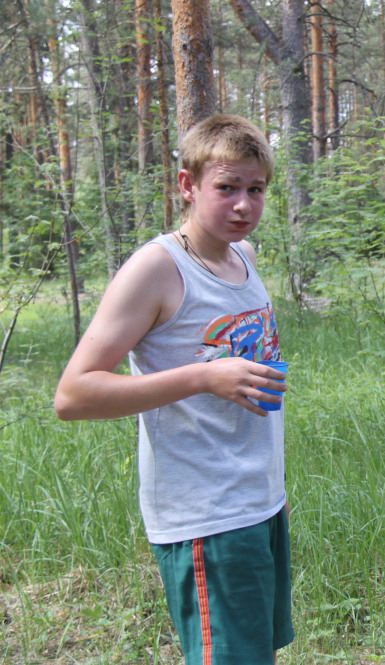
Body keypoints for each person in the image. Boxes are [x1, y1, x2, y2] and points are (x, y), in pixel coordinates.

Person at [54, 114, 293, 664]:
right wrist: (203, 377)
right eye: (227, 187)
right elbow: (73, 395)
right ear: (188, 185)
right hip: (205, 514)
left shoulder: (243, 256)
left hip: (259, 499)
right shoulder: (158, 269)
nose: (243, 205)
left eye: (256, 189)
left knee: (255, 655)